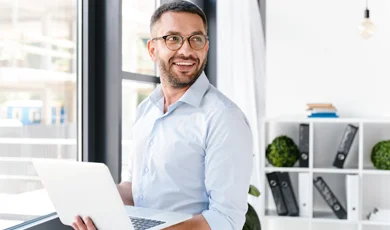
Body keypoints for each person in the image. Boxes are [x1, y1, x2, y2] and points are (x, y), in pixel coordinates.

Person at [72, 1, 253, 229]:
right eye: (173, 39)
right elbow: (135, 189)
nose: (186, 50)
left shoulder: (224, 118)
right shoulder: (145, 111)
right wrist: (93, 203)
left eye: (196, 39)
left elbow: (225, 220)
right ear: (152, 50)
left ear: (205, 47)